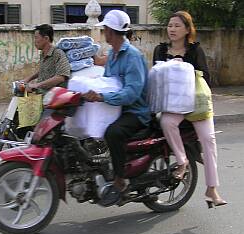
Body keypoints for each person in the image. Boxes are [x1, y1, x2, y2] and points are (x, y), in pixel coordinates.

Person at [153, 11, 227, 208]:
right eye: (170, 25)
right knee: (167, 122)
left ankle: (212, 189)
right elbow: (157, 77)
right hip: (173, 104)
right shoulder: (160, 50)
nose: (172, 29)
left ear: (187, 29)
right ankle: (182, 160)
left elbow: (206, 78)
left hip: (195, 103)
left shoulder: (195, 50)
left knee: (209, 140)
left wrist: (184, 69)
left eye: (177, 25)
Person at [83, 10, 151, 193]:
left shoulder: (133, 57)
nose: (104, 32)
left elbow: (131, 93)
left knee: (112, 132)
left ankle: (120, 179)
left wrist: (102, 97)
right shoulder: (112, 55)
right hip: (118, 108)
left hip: (135, 112)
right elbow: (107, 82)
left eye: (105, 29)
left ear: (111, 31)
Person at [23, 24, 71, 94]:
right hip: (41, 92)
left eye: (36, 38)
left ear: (46, 38)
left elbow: (61, 77)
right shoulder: (43, 54)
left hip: (52, 96)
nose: (35, 41)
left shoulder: (58, 53)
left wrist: (36, 85)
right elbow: (43, 70)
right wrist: (28, 79)